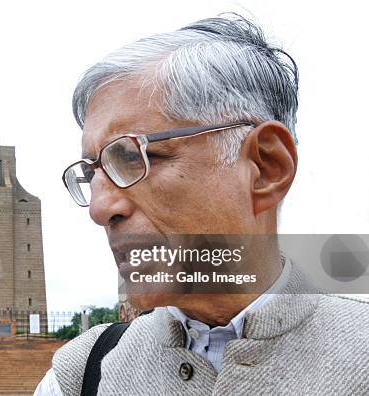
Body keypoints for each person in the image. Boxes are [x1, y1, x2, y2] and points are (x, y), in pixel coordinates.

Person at [35, 14, 369, 395]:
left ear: (265, 168)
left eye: (132, 158)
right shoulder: (80, 375)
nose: (99, 208)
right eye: (92, 173)